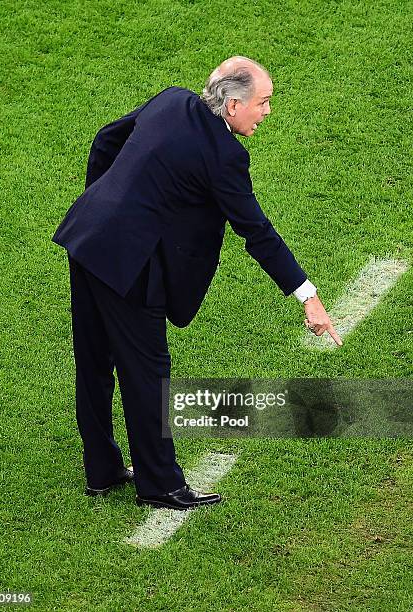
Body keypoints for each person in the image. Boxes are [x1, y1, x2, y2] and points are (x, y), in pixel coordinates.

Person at [52, 56, 342, 511]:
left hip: (86, 238)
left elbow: (107, 139)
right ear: (231, 106)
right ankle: (160, 483)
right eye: (262, 103)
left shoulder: (173, 100)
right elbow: (257, 232)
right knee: (147, 373)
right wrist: (308, 296)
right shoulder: (224, 157)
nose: (267, 112)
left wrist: (105, 204)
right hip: (129, 266)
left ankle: (102, 470)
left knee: (92, 359)